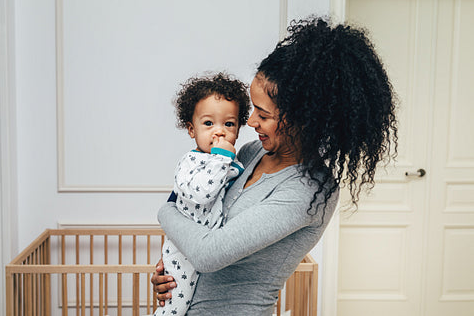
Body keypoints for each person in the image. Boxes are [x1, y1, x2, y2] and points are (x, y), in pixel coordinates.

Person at [152, 16, 398, 315]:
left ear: (304, 119)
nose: (251, 121)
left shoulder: (309, 191)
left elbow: (208, 254)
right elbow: (202, 222)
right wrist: (174, 272)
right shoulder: (251, 152)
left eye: (263, 114)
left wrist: (166, 209)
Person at [154, 72, 251, 316]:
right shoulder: (190, 162)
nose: (219, 132)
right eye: (208, 124)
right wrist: (222, 157)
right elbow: (203, 193)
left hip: (208, 251)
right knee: (174, 308)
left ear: (238, 130)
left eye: (228, 124)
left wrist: (227, 161)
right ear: (191, 129)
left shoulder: (232, 163)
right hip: (184, 250)